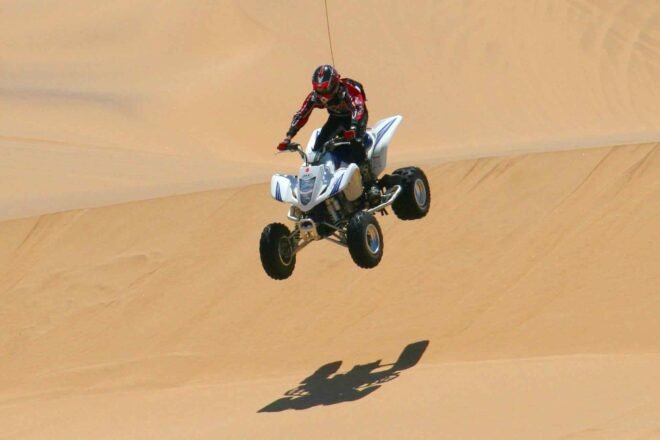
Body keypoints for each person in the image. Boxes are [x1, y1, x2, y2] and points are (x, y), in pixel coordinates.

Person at [277, 65, 379, 203]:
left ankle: (371, 184)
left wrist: (354, 128)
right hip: (336, 118)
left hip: (355, 118)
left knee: (356, 143)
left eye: (324, 88)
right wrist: (288, 136)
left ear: (334, 83)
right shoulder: (315, 96)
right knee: (317, 148)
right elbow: (302, 114)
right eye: (318, 88)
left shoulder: (348, 89)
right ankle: (320, 186)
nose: (322, 92)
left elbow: (358, 108)